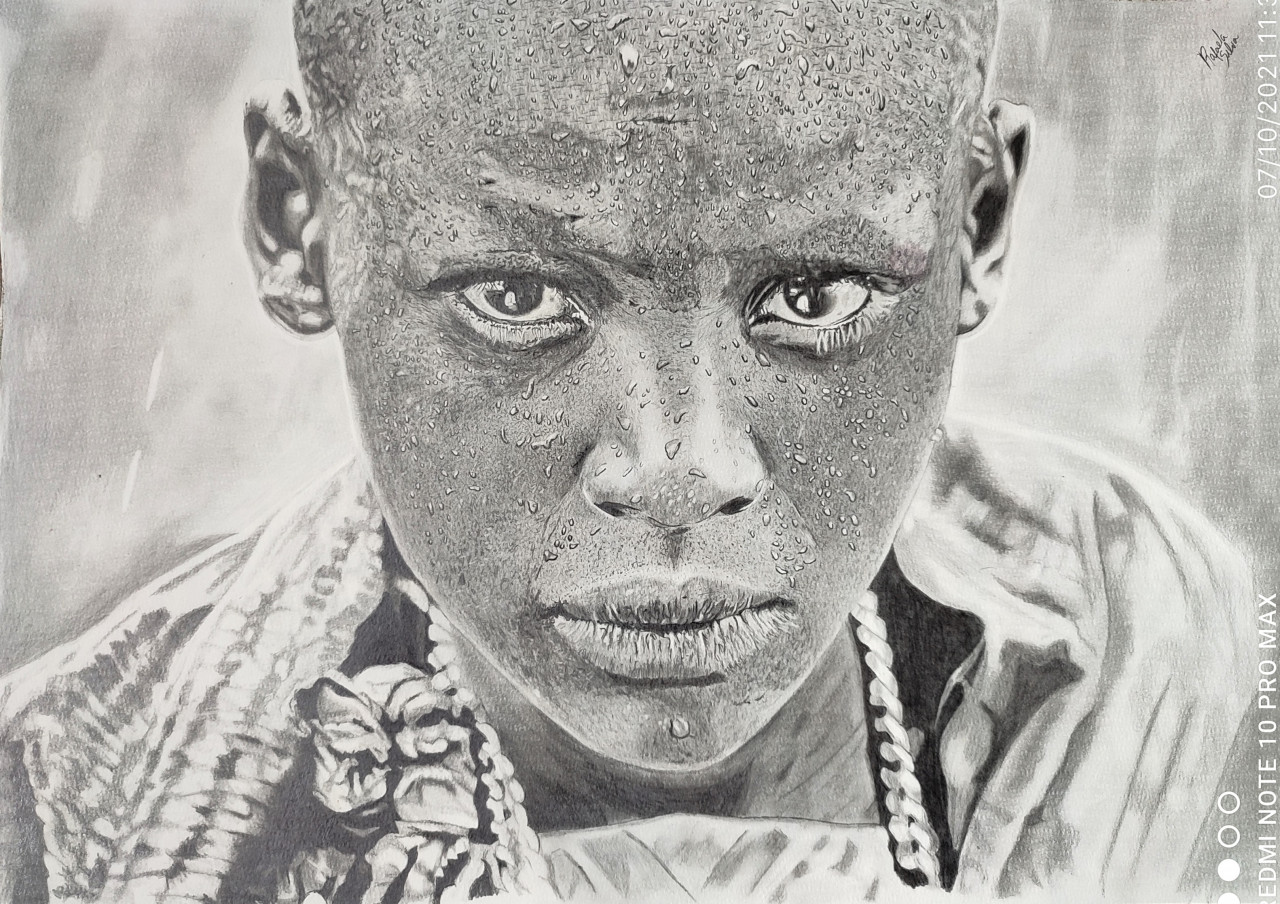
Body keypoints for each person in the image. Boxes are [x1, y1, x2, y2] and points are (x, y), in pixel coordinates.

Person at [0, 0, 1255, 901]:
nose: (676, 466)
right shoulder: (77, 806)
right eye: (516, 297)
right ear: (300, 220)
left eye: (812, 295)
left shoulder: (1163, 651)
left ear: (976, 220)